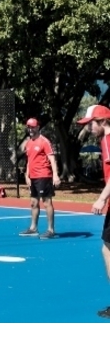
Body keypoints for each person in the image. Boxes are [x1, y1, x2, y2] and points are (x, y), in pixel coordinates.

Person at [79, 105, 110, 318]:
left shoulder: (107, 141)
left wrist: (101, 199)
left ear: (103, 121)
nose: (89, 128)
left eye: (91, 124)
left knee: (107, 250)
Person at [19, 118, 61, 239]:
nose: (30, 129)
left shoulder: (44, 141)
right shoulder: (29, 143)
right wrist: (27, 175)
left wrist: (55, 175)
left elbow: (52, 159)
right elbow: (29, 161)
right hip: (33, 177)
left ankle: (51, 230)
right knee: (33, 203)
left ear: (38, 127)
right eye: (29, 127)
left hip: (44, 176)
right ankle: (33, 228)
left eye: (32, 127)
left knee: (46, 202)